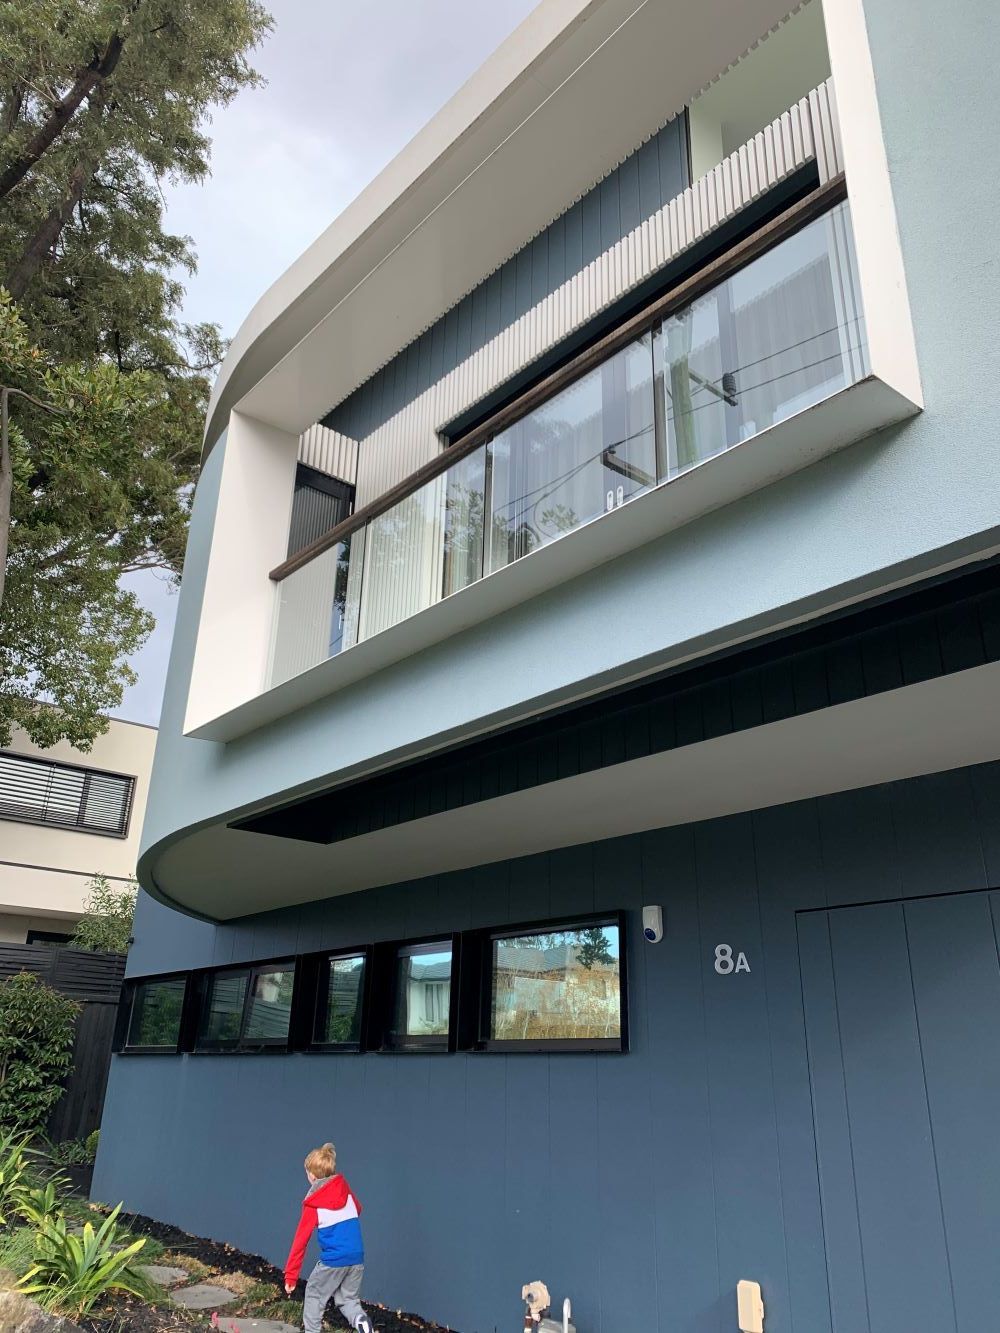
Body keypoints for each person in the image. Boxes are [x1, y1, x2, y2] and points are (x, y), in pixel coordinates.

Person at [284, 1142, 372, 1333]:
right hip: (356, 1257)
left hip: (334, 1260)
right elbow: (358, 1209)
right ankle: (361, 1321)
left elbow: (300, 1241)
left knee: (315, 1295)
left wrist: (291, 1275)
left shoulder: (313, 1204)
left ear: (312, 1176)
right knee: (348, 1300)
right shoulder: (346, 1192)